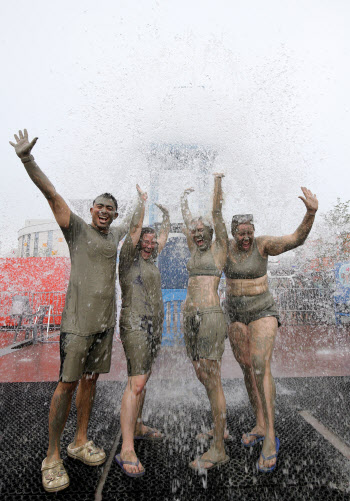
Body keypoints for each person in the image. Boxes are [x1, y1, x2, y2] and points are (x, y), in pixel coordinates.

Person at [10, 129, 146, 492]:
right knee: (67, 385)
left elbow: (134, 226)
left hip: (104, 324)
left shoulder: (114, 236)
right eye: (99, 207)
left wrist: (142, 201)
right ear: (91, 210)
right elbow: (51, 194)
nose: (104, 212)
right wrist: (27, 159)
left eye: (110, 209)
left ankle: (79, 440)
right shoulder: (77, 230)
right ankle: (52, 455)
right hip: (77, 324)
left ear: (113, 215)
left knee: (91, 382)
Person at [224, 187, 318, 473]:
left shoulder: (262, 245)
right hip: (235, 314)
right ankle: (260, 423)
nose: (246, 237)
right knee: (246, 369)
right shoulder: (225, 249)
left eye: (249, 232)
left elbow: (295, 240)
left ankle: (270, 437)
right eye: (241, 232)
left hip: (263, 311)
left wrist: (310, 213)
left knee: (260, 366)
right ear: (233, 232)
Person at [115, 202, 170, 477]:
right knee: (136, 383)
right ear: (137, 243)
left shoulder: (152, 258)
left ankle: (137, 426)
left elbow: (164, 235)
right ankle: (126, 447)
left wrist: (168, 216)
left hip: (153, 326)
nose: (149, 245)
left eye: (151, 242)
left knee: (143, 380)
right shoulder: (128, 260)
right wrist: (142, 204)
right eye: (144, 241)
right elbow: (134, 232)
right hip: (134, 323)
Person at [181, 174, 229, 471]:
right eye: (195, 231)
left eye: (202, 230)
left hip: (210, 316)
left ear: (212, 233)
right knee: (202, 373)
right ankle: (218, 427)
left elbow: (216, 213)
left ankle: (219, 448)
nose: (198, 233)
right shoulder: (195, 249)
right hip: (190, 318)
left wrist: (216, 184)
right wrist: (182, 201)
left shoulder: (218, 248)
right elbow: (189, 221)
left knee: (212, 379)